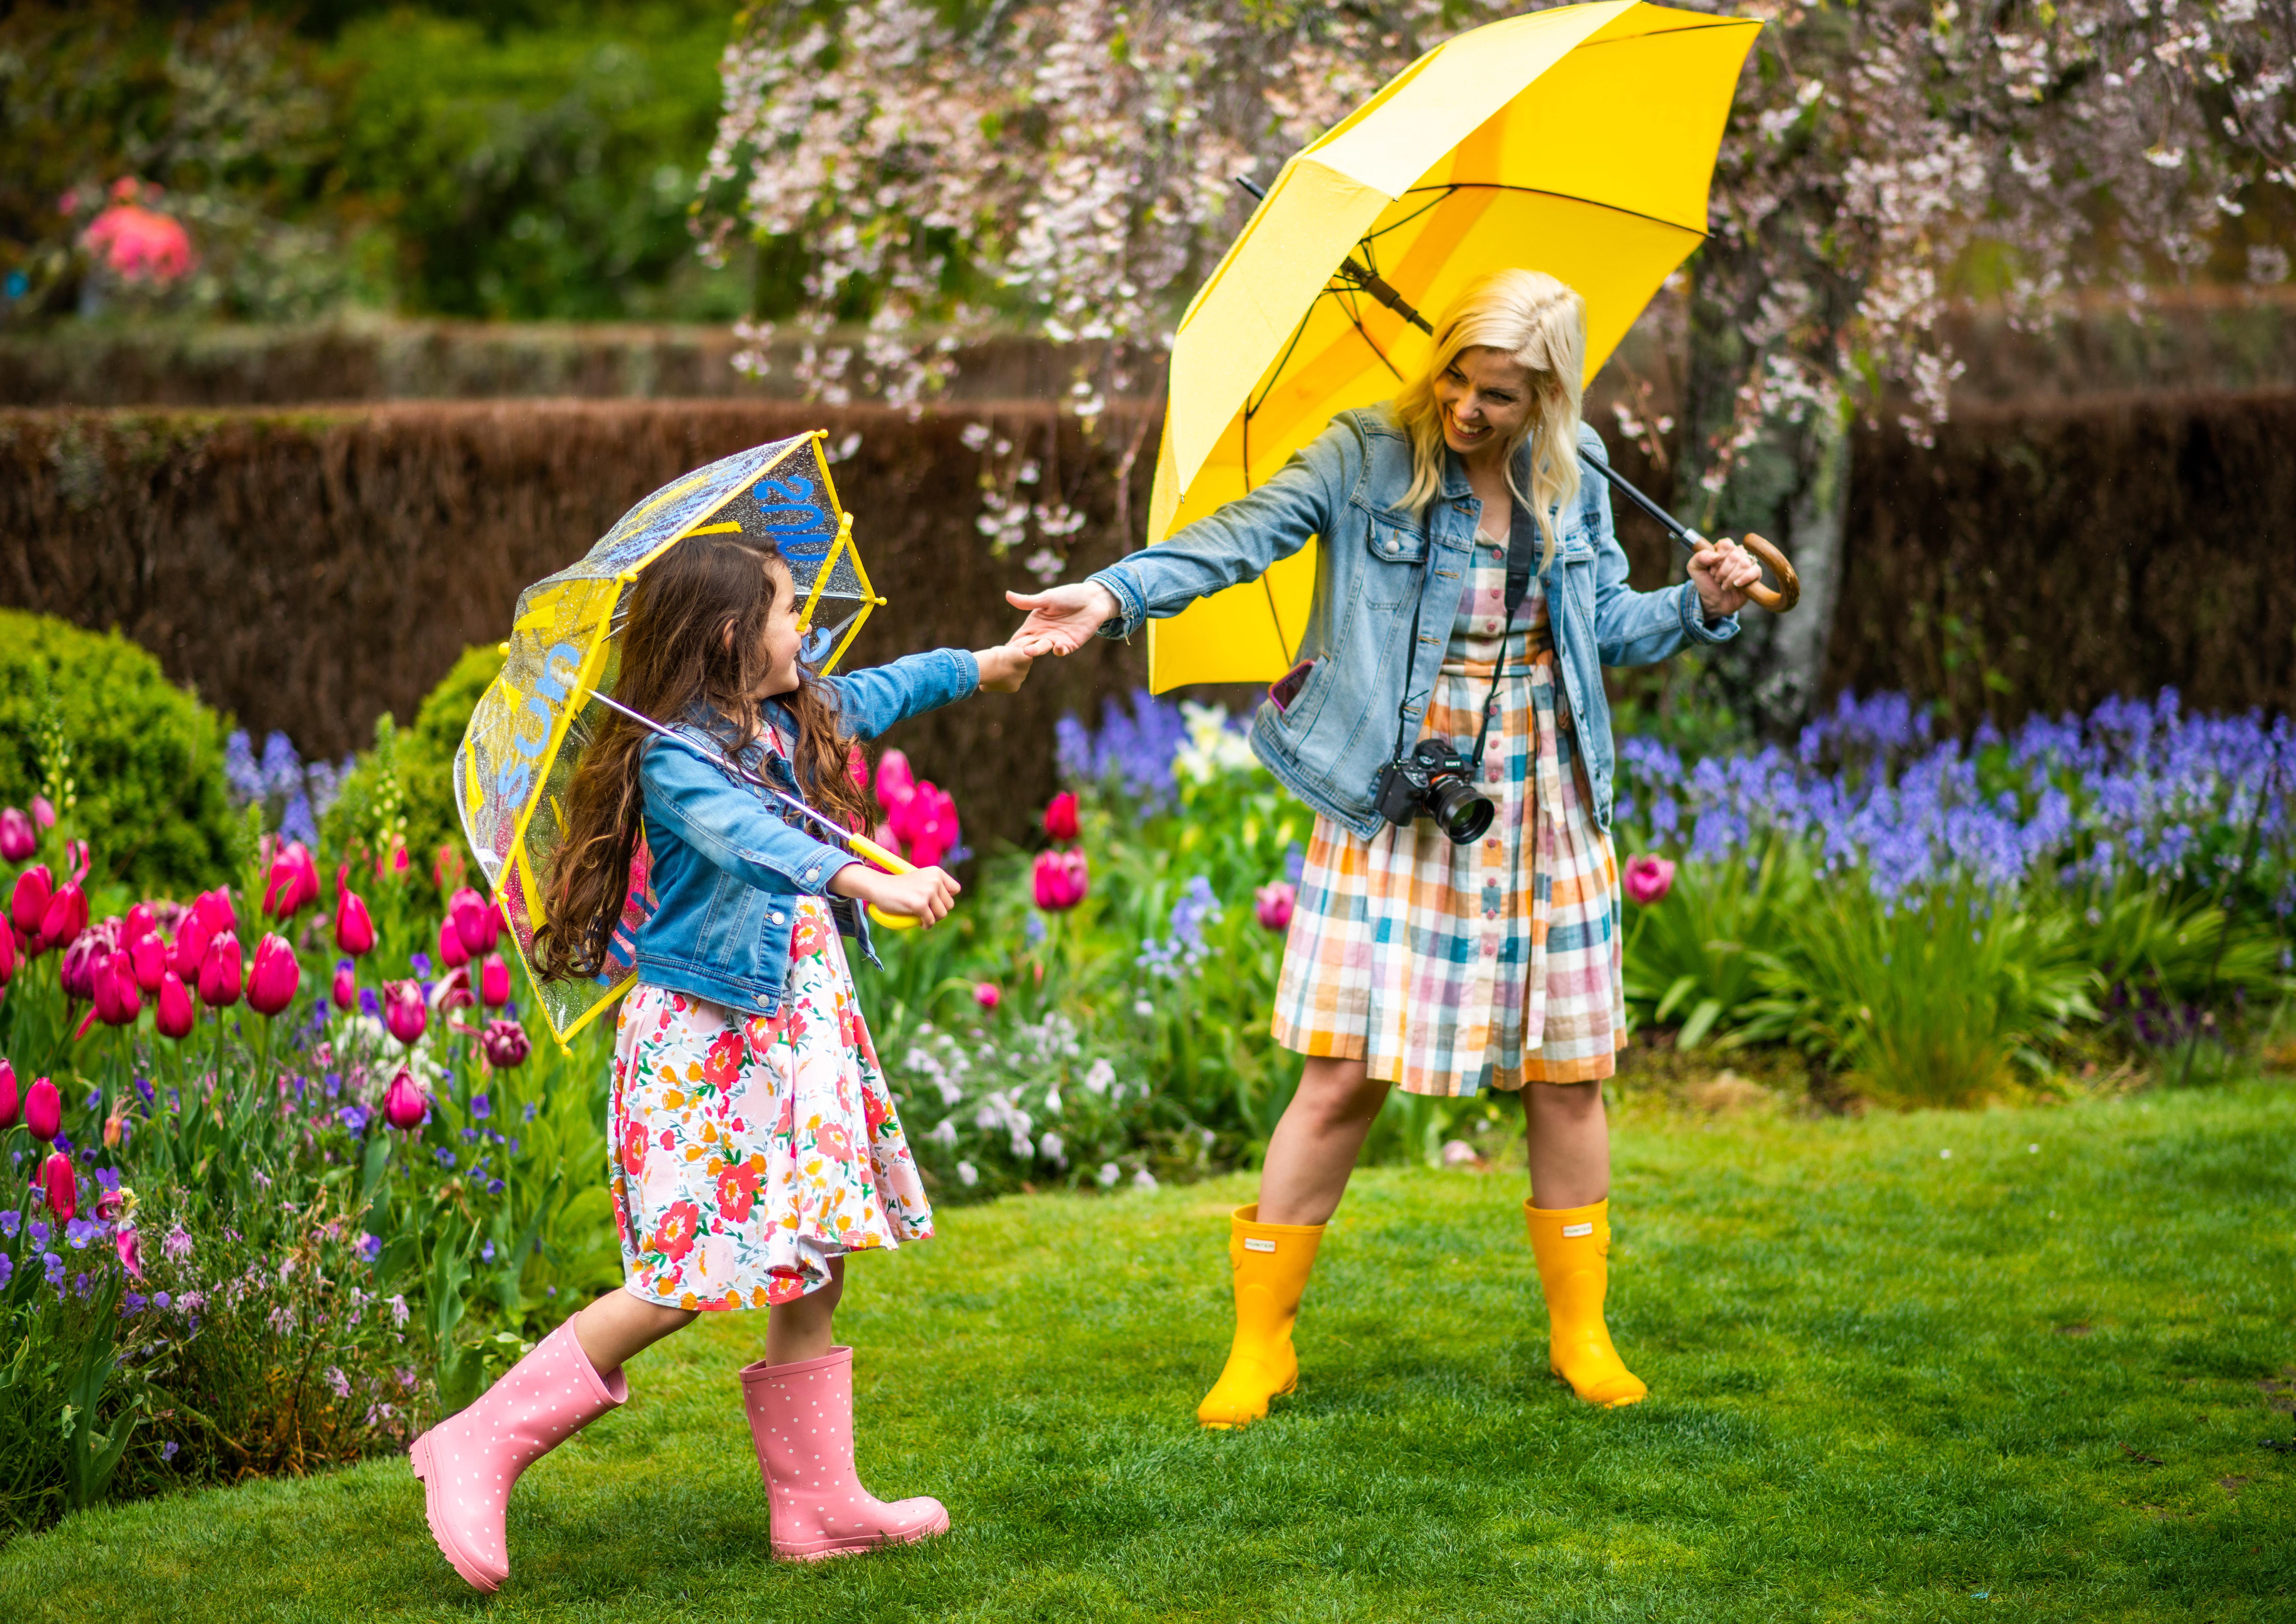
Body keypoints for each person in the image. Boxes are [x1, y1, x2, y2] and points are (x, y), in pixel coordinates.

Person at [1011, 269, 1764, 1428]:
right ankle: (1260, 1345)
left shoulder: (1580, 467)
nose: (1467, 406)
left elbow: (1607, 625)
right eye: (1457, 376)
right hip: (1398, 791)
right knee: (1342, 1073)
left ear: (1549, 395)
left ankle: (1584, 1335)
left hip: (1544, 793)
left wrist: (1699, 602)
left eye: (1500, 394)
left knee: (1569, 1075)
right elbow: (1238, 539)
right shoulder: (1367, 454)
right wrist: (1112, 598)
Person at [408, 530, 1035, 1588]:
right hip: (707, 1041)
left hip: (797, 1024)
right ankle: (479, 1440)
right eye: (791, 611)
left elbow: (886, 688)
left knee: (819, 1247)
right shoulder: (676, 761)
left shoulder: (794, 714)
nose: (807, 628)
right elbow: (756, 841)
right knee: (681, 1277)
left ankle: (818, 1502)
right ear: (735, 636)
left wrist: (985, 666)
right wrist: (865, 878)